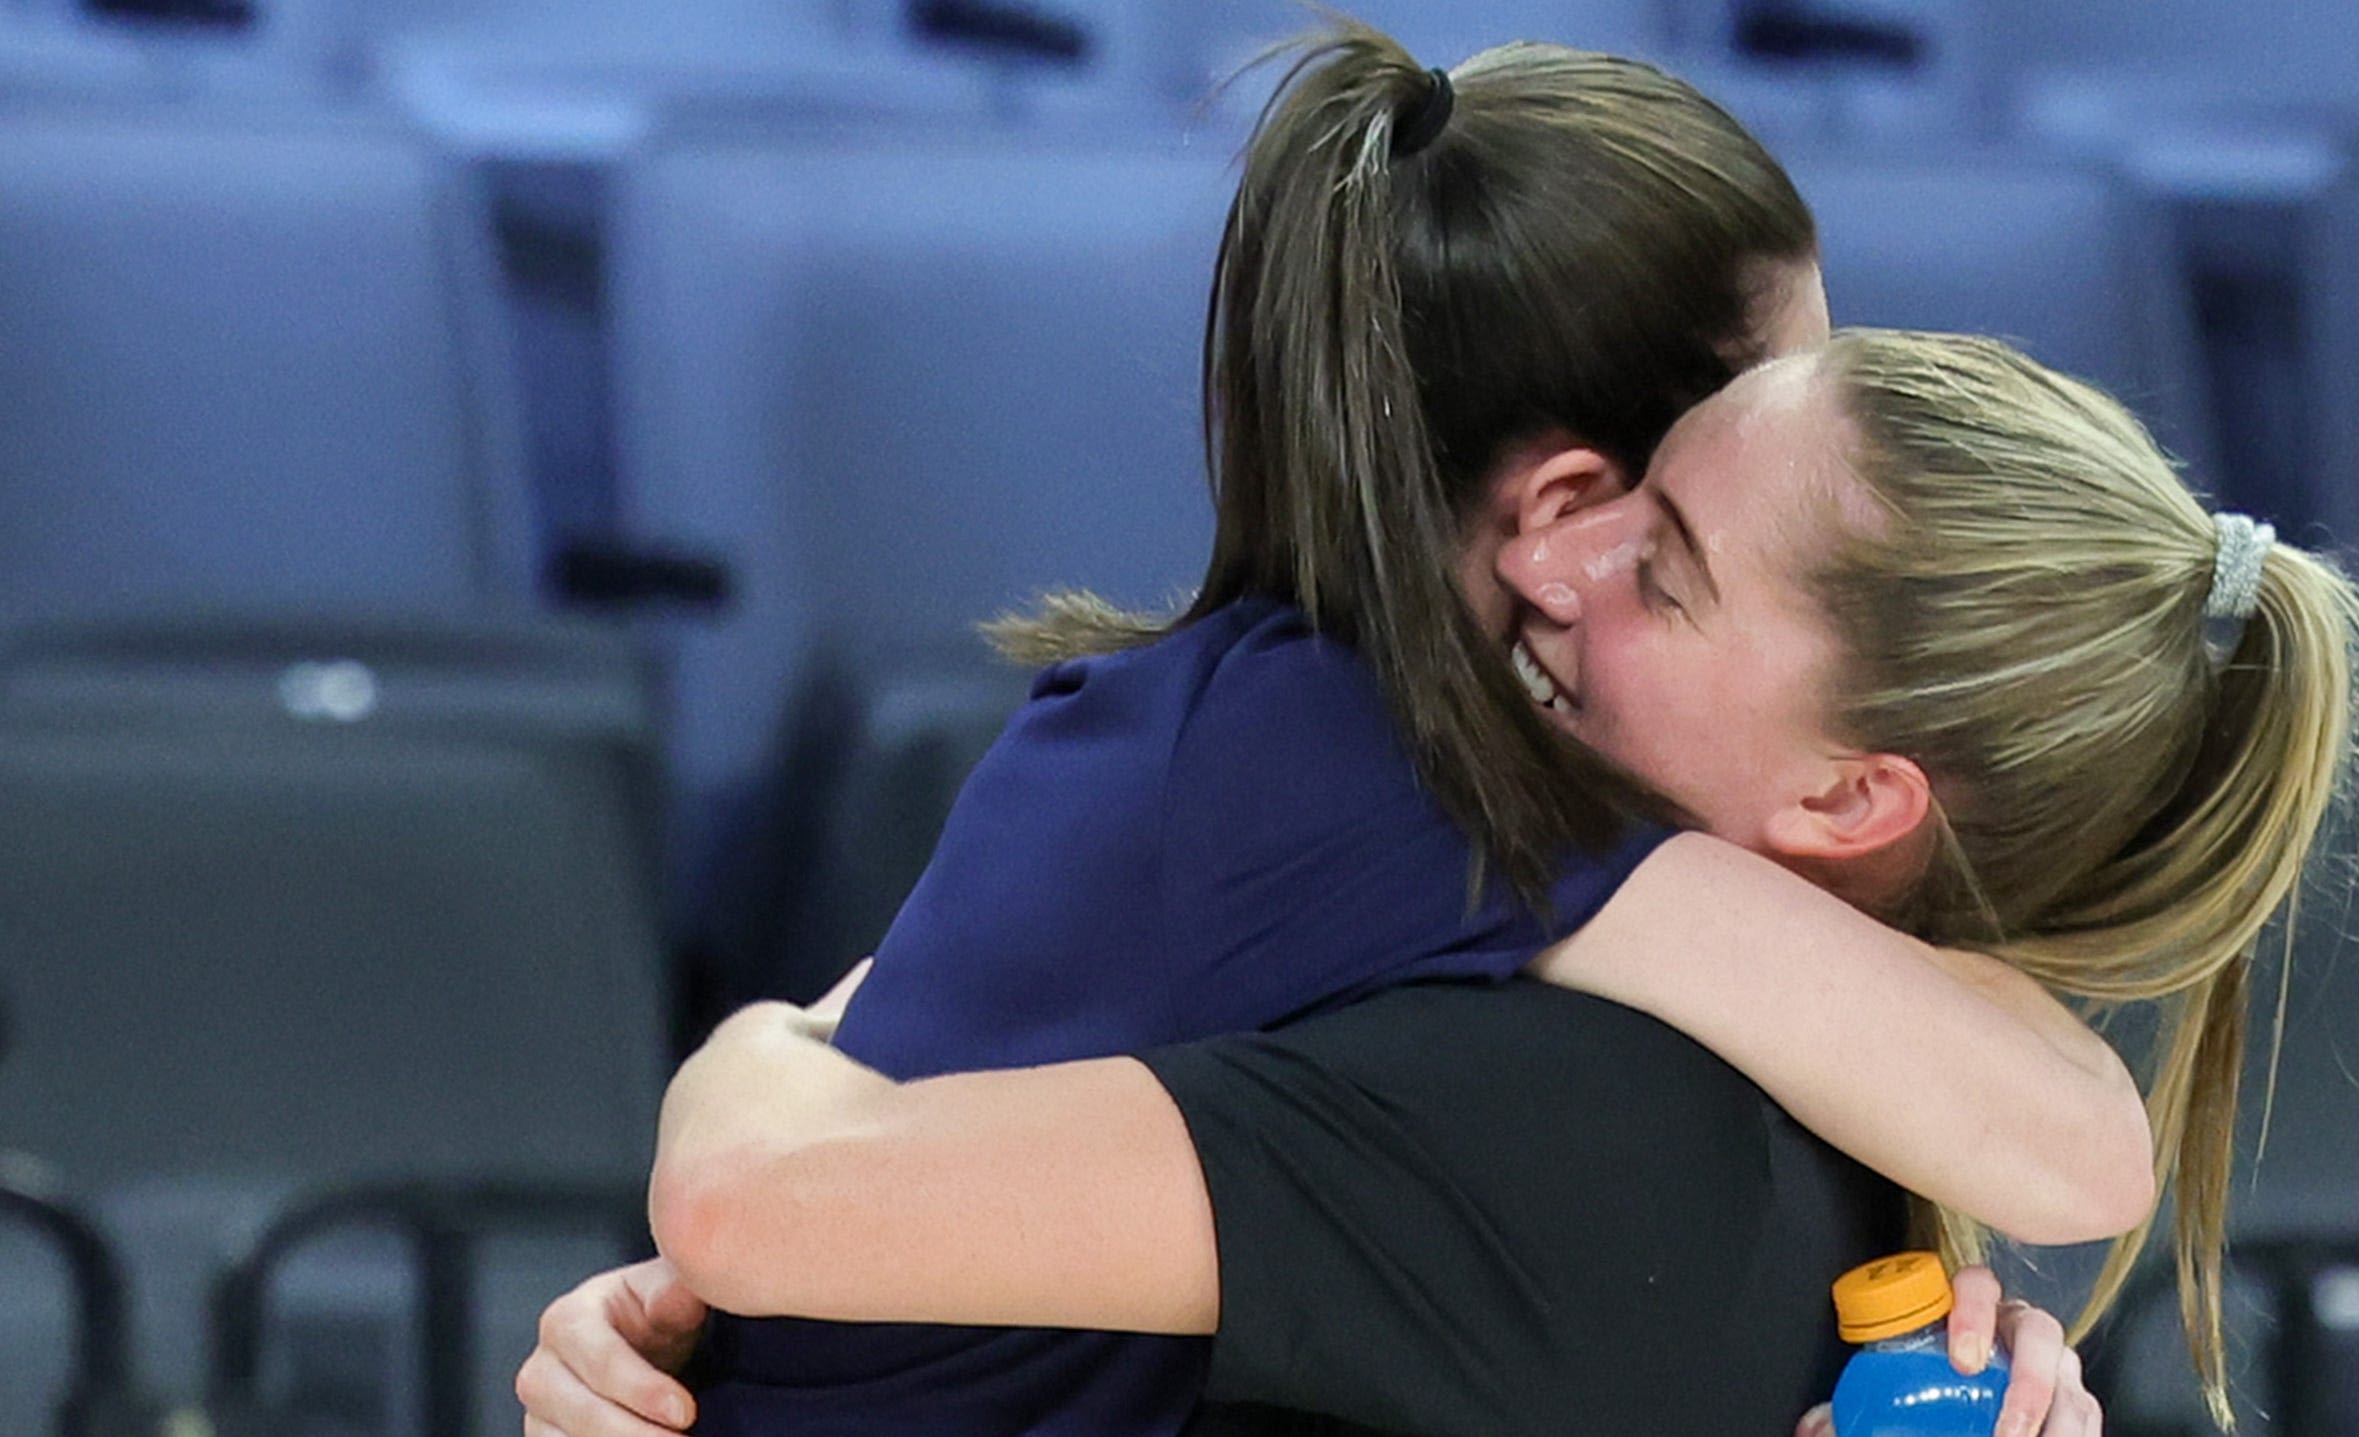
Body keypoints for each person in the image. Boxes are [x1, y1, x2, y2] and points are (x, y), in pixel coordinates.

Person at [529, 25, 2161, 1437]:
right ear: (1575, 507)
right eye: (1781, 391)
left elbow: (842, 1042)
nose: (1819, 426)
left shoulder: (1218, 722)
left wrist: (749, 1058)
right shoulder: (1414, 790)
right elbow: (2070, 1145)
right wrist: (738, 1099)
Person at [638, 329, 2359, 1436]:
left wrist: (760, 1052)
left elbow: (765, 1193)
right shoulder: (1867, 1134)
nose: (1550, 555)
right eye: (1629, 486)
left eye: (1666, 567)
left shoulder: (1571, 1099)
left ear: (1851, 791)